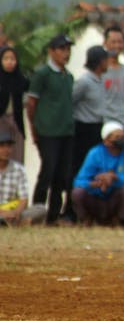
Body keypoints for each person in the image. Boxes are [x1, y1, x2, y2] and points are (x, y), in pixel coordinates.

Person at [26, 34, 75, 225]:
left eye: (68, 49)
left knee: (61, 176)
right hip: (48, 132)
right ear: (51, 51)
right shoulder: (42, 74)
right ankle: (36, 214)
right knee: (48, 172)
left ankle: (53, 216)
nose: (66, 53)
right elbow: (31, 104)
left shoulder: (68, 76)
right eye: (62, 49)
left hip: (66, 131)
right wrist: (35, 129)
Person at [68, 45, 110, 221]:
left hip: (96, 128)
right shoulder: (84, 81)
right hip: (83, 128)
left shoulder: (100, 80)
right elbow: (70, 102)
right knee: (79, 169)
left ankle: (90, 211)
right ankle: (71, 210)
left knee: (95, 168)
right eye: (106, 59)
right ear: (100, 62)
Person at [70, 121, 124, 226]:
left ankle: (119, 220)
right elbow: (79, 180)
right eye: (117, 137)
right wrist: (94, 183)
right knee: (77, 192)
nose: (122, 140)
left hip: (113, 196)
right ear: (106, 141)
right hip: (95, 196)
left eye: (123, 136)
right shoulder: (95, 153)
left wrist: (113, 177)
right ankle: (86, 219)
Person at [0, 129, 46, 225]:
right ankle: (12, 222)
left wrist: (14, 213)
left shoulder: (19, 169)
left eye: (8, 146)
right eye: (2, 146)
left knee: (41, 209)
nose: (6, 150)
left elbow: (23, 199)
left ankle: (12, 221)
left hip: (12, 211)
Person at [0, 45, 29, 165]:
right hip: (1, 121)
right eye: (6, 59)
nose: (9, 62)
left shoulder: (21, 79)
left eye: (12, 59)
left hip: (16, 122)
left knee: (16, 156)